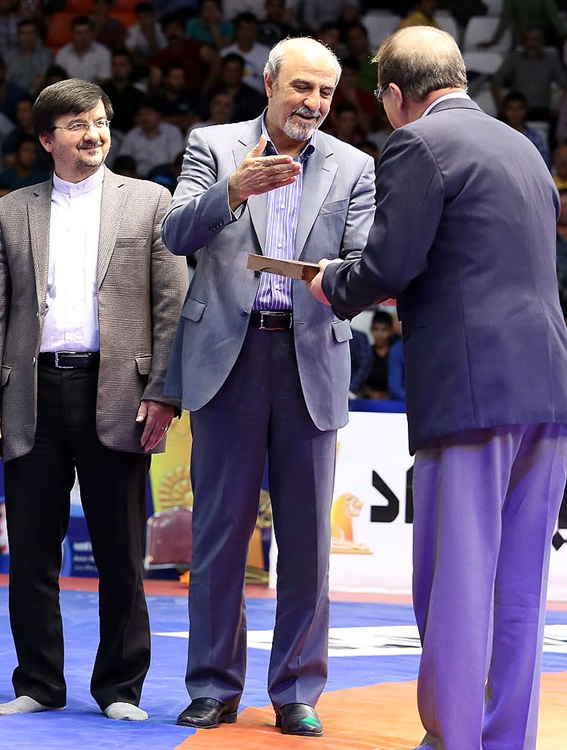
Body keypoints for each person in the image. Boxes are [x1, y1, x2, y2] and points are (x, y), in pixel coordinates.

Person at [311, 27, 567, 750]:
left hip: (470, 389)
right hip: (548, 386)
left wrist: (330, 281)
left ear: (395, 94)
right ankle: (505, 739)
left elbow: (386, 267)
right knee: (520, 585)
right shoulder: (525, 147)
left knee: (457, 578)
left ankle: (455, 740)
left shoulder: (418, 144)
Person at [162, 37, 375, 736]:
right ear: (269, 84)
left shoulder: (355, 166)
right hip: (228, 358)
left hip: (310, 359)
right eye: (301, 87)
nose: (312, 102)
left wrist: (334, 279)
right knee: (220, 534)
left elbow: (363, 263)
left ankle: (297, 691)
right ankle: (213, 686)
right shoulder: (214, 146)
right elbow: (175, 234)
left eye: (325, 92)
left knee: (307, 541)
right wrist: (232, 191)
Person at [0, 78, 187, 723]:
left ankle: (120, 688)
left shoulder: (150, 202)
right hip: (31, 393)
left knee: (121, 551)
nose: (93, 135)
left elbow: (171, 306)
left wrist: (164, 393)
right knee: (31, 551)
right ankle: (39, 682)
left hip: (119, 392)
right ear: (46, 140)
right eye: (76, 126)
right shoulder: (10, 212)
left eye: (99, 123)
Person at [55, 17, 112, 83]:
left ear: (92, 33)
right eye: (78, 33)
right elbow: (58, 80)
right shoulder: (62, 53)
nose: (82, 37)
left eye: (86, 32)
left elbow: (105, 80)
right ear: (72, 34)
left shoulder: (103, 53)